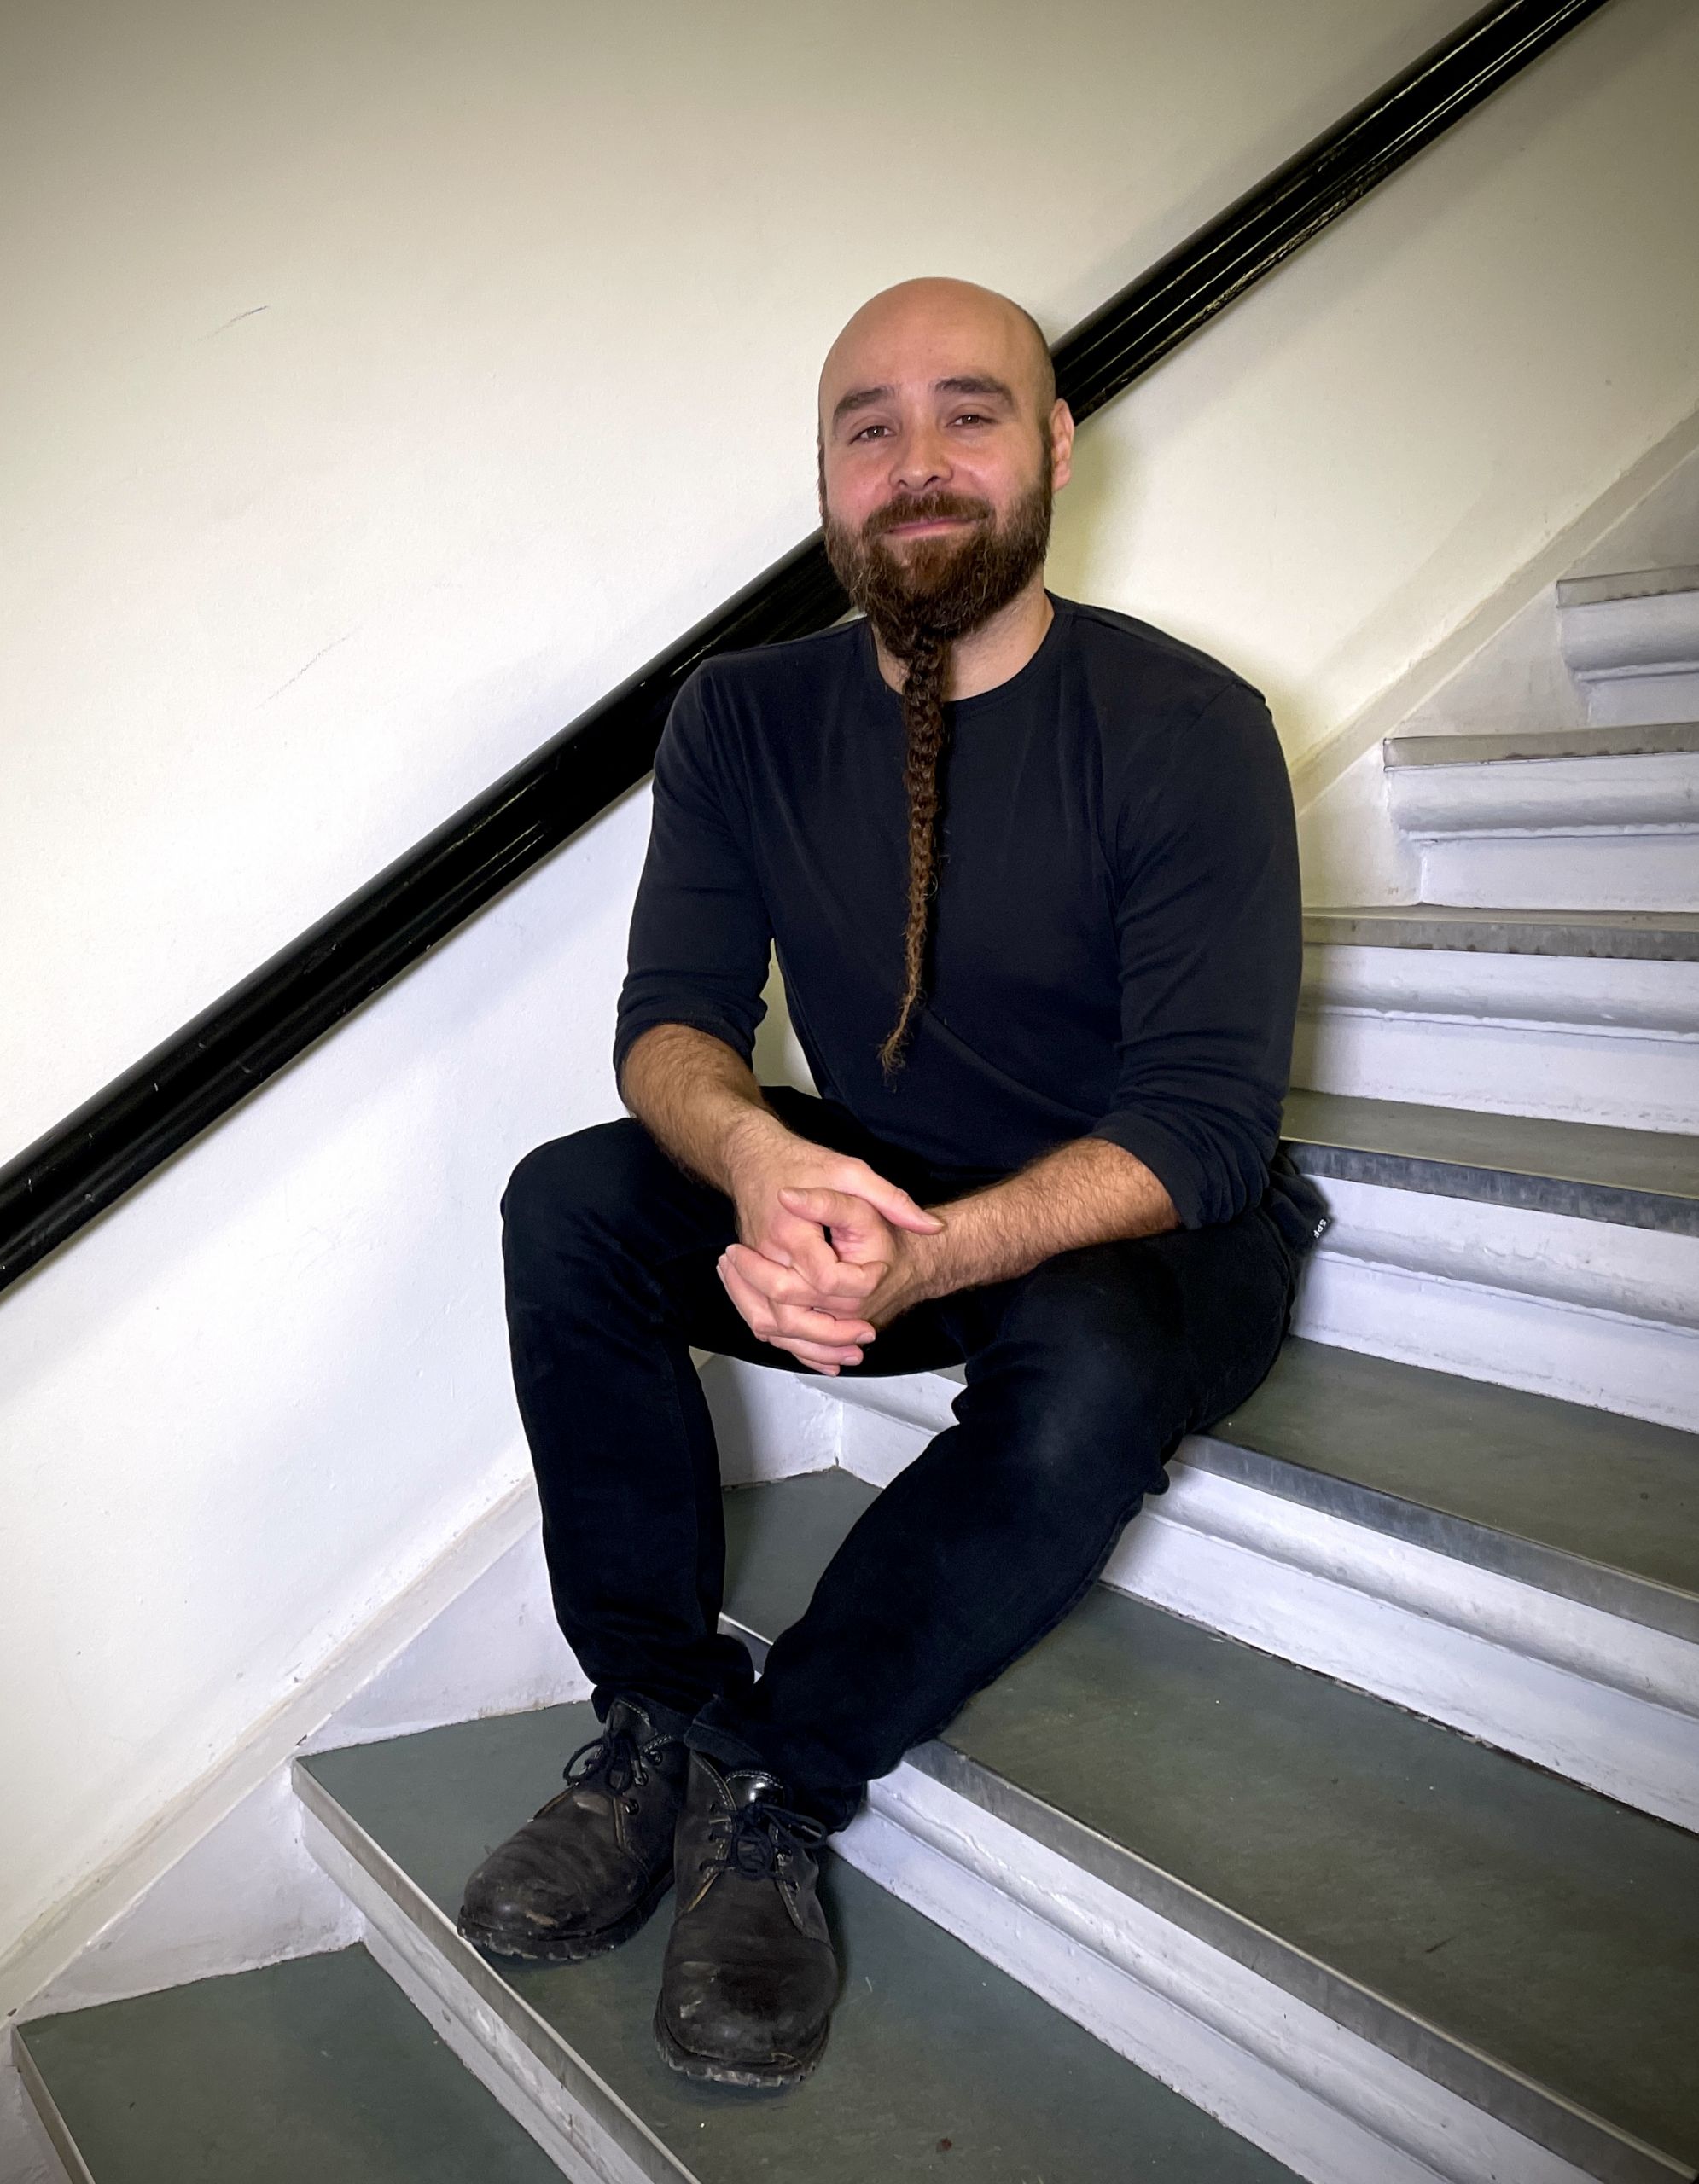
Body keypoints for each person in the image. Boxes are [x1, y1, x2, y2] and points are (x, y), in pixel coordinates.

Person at [458, 276, 1327, 2089]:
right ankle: (653, 1718)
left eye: (969, 411)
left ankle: (778, 1777)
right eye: (869, 425)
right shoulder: (741, 715)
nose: (917, 461)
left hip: (1151, 1222)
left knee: (1090, 1353)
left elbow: (1204, 1126)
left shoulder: (1185, 723)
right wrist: (770, 1161)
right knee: (573, 1205)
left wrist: (926, 1263)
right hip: (894, 1172)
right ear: (829, 478)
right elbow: (670, 1024)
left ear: (1056, 447)